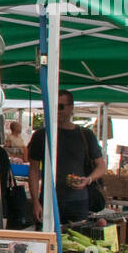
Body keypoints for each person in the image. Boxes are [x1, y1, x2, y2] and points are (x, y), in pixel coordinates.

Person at [27, 90, 106, 225]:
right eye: (54, 106)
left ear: (71, 107)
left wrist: (88, 179)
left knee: (75, 241)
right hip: (48, 200)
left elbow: (101, 166)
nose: (57, 110)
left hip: (78, 202)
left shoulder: (85, 135)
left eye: (61, 106)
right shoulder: (40, 136)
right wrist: (35, 202)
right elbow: (33, 170)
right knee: (47, 242)